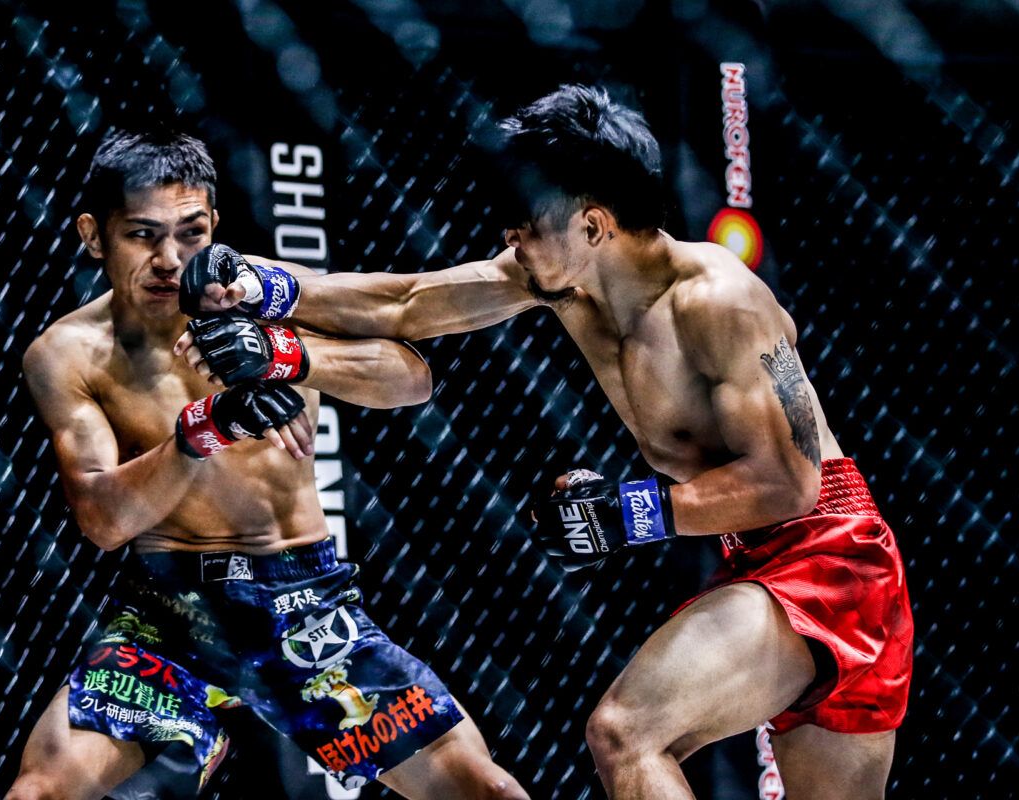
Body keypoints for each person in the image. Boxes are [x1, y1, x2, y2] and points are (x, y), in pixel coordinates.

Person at [178, 85, 914, 799]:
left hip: (832, 555)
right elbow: (408, 302)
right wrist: (261, 286)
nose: (511, 237)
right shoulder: (560, 279)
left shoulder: (717, 301)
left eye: (527, 224)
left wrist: (624, 514)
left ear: (593, 226)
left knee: (627, 733)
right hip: (764, 555)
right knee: (636, 737)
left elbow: (790, 484)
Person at [7, 130, 528, 800]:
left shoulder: (262, 289)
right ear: (93, 235)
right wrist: (205, 429)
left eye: (191, 233)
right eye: (142, 235)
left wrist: (286, 355)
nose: (170, 260)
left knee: (485, 792)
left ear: (214, 224)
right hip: (170, 615)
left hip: (303, 604)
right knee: (40, 792)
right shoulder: (68, 353)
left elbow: (411, 378)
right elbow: (104, 521)